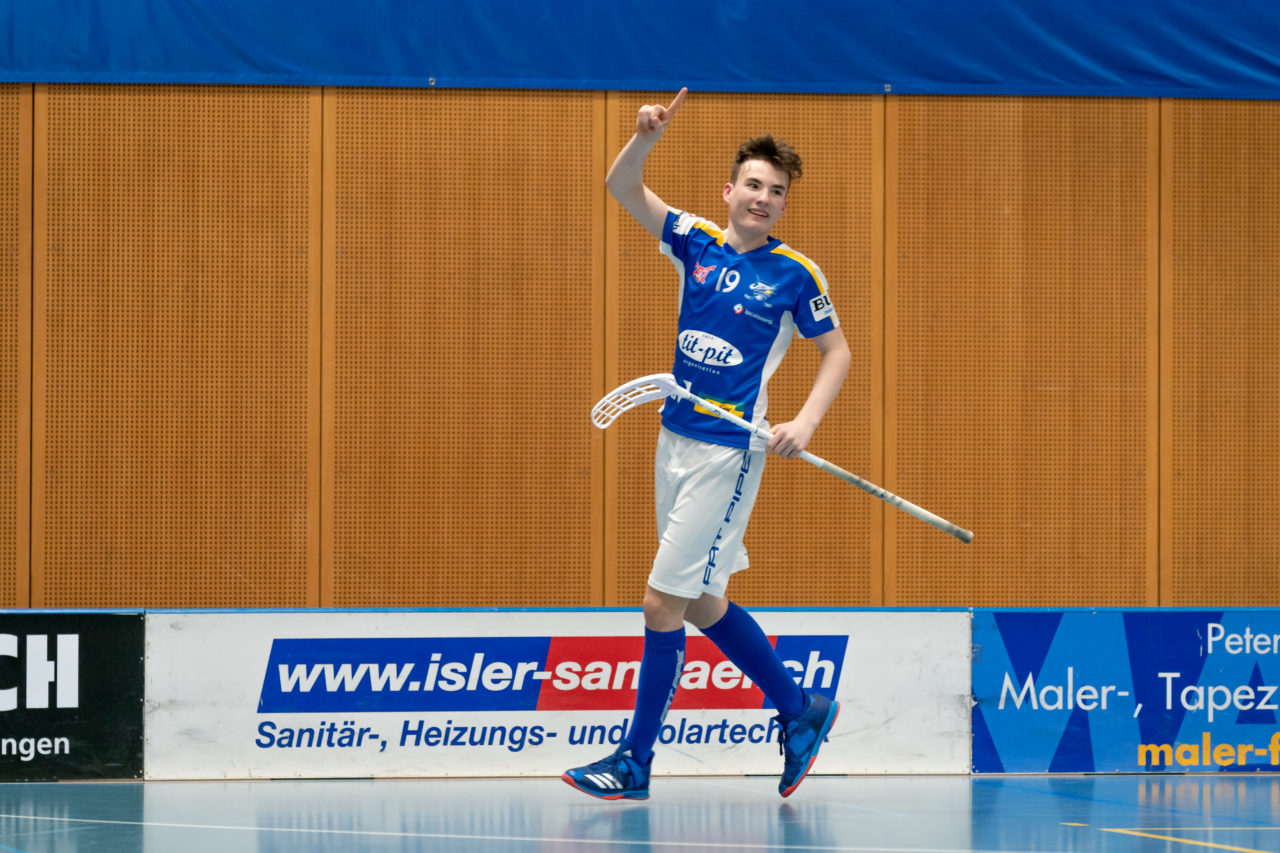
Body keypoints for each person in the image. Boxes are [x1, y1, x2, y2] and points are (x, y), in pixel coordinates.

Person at [563, 89, 851, 800]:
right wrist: (645, 137)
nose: (761, 197)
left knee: (661, 604)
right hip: (674, 442)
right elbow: (621, 187)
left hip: (728, 452)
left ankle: (634, 762)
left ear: (784, 205)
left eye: (775, 191)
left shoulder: (795, 274)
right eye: (752, 184)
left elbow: (838, 351)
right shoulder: (693, 238)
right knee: (695, 601)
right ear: (729, 190)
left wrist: (805, 422)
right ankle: (800, 708)